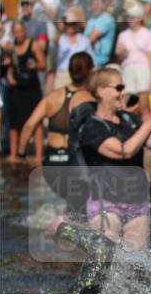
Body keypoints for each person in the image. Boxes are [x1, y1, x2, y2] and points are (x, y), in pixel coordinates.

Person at [79, 68, 151, 249]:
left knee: (137, 263)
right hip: (106, 203)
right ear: (100, 91)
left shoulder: (130, 119)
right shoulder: (91, 127)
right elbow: (125, 151)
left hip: (137, 202)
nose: (123, 93)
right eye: (119, 88)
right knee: (107, 249)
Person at [17, 52, 94, 217]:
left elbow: (28, 126)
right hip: (75, 165)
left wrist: (22, 154)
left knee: (73, 204)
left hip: (51, 165)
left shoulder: (52, 97)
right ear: (91, 71)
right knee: (80, 210)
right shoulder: (90, 99)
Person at [4, 20, 46, 164]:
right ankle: (14, 155)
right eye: (16, 32)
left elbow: (43, 64)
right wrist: (9, 77)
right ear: (13, 33)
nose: (19, 35)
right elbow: (9, 67)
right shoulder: (12, 48)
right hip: (16, 89)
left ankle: (39, 155)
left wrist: (35, 65)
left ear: (24, 31)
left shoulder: (33, 45)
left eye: (21, 31)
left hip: (32, 89)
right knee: (14, 123)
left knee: (36, 123)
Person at [116, 5, 151, 119]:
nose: (130, 20)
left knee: (144, 105)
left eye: (132, 17)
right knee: (128, 104)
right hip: (128, 68)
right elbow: (119, 58)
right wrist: (121, 53)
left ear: (139, 18)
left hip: (142, 69)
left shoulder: (146, 33)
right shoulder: (123, 35)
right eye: (129, 17)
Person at [54, 8, 93, 90]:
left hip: (80, 75)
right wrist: (60, 28)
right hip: (63, 75)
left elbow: (90, 58)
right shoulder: (59, 38)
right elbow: (54, 42)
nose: (70, 26)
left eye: (73, 23)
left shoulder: (84, 40)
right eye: (68, 23)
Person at [83, 0, 116, 68]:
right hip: (90, 60)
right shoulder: (91, 20)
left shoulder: (106, 18)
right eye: (93, 4)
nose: (95, 7)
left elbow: (91, 38)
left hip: (101, 62)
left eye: (98, 4)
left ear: (104, 5)